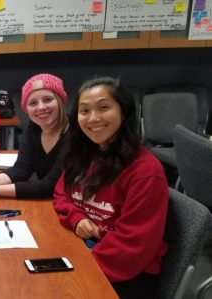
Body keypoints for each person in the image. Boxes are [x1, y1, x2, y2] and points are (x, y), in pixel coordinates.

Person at [53, 76, 168, 299]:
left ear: (123, 112)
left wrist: (77, 271)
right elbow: (61, 194)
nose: (93, 118)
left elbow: (132, 246)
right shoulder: (86, 155)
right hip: (86, 251)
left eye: (103, 107)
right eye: (84, 110)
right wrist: (77, 218)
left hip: (127, 273)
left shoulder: (145, 172)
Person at [0, 74, 69, 199]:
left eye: (48, 99)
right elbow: (21, 169)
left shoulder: (74, 133)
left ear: (60, 100)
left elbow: (50, 186)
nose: (41, 107)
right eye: (33, 103)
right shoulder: (34, 127)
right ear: (26, 109)